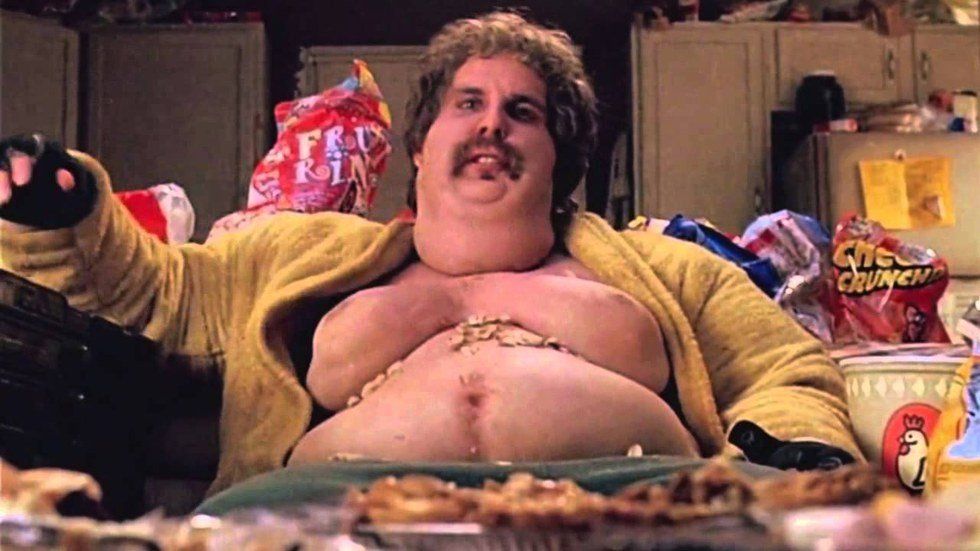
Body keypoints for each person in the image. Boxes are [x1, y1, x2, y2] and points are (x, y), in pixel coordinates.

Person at [0, 12, 862, 496]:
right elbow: (156, 290)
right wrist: (62, 209)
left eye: (523, 112)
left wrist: (798, 450)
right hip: (323, 514)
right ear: (421, 144)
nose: (492, 126)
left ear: (560, 156)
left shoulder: (666, 266)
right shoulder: (297, 253)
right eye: (468, 103)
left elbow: (786, 369)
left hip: (636, 505)